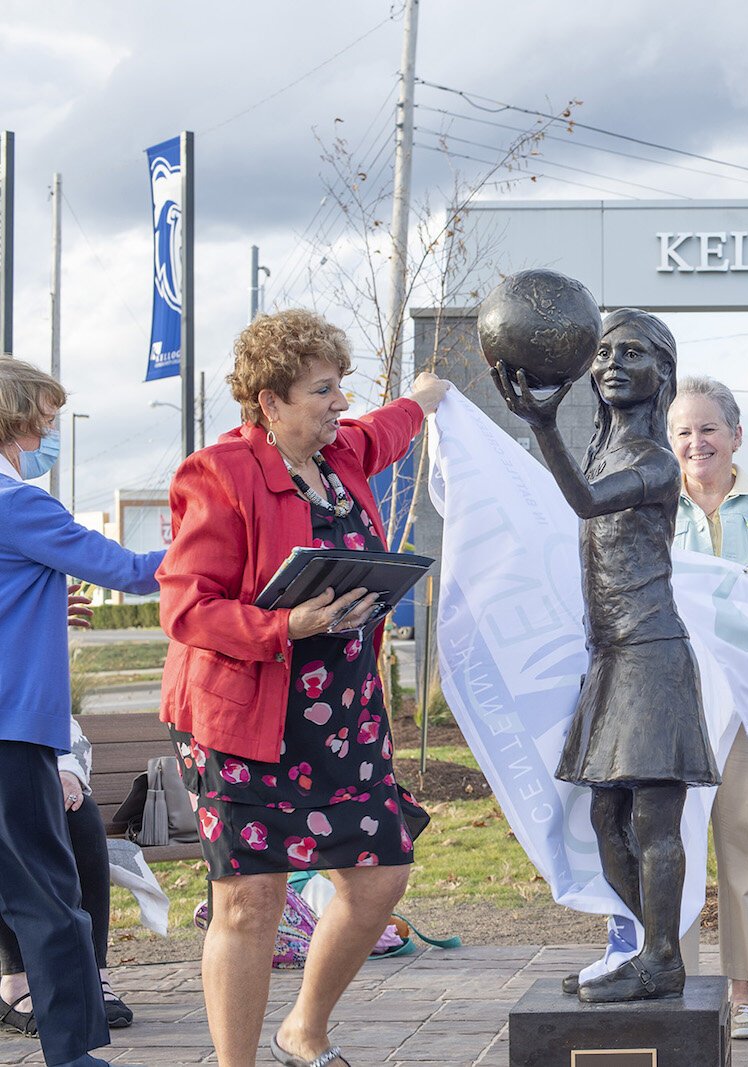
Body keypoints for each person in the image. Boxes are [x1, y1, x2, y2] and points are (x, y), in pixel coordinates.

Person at [157, 310, 448, 1067]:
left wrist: (425, 397)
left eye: (340, 386)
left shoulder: (343, 450)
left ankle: (303, 1028)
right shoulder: (216, 474)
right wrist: (284, 626)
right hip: (245, 716)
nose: (339, 402)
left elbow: (389, 427)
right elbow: (186, 606)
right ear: (269, 401)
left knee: (382, 874)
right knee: (250, 901)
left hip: (343, 716)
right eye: (322, 390)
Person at [495, 308, 715, 1004]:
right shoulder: (604, 449)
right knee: (604, 817)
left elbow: (586, 503)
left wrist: (538, 423)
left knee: (652, 816)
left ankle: (662, 960)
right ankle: (648, 945)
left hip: (650, 652)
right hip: (612, 656)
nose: (613, 363)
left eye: (633, 353)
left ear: (663, 374)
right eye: (605, 352)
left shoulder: (652, 460)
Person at [0, 357, 162, 1067]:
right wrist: (227, 546)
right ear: (20, 413)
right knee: (49, 897)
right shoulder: (21, 504)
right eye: (49, 413)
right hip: (11, 729)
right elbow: (130, 571)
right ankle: (73, 1055)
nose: (53, 427)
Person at [665, 376, 748, 1037]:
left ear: (736, 435)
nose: (697, 441)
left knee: (747, 839)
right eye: (684, 431)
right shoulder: (651, 511)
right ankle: (680, 988)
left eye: (709, 427)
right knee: (673, 842)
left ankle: (745, 990)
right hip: (673, 699)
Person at [0, 715, 136, 1037]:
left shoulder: (24, 674)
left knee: (80, 813)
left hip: (27, 781)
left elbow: (67, 729)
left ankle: (93, 976)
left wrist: (68, 773)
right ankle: (15, 982)